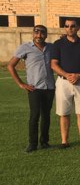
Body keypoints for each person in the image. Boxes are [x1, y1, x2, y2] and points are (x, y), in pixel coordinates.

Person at [7, 24, 55, 152]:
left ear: (46, 35)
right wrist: (21, 83)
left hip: (49, 87)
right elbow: (10, 65)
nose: (39, 35)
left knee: (46, 115)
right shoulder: (25, 48)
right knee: (35, 115)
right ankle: (32, 144)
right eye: (36, 32)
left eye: (42, 33)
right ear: (33, 33)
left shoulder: (51, 48)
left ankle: (44, 142)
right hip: (34, 88)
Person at [50, 18, 80, 148]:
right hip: (63, 82)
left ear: (78, 28)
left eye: (72, 26)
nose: (70, 28)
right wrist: (66, 75)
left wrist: (79, 75)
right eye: (67, 26)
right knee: (64, 112)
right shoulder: (58, 44)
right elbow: (53, 64)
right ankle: (64, 141)